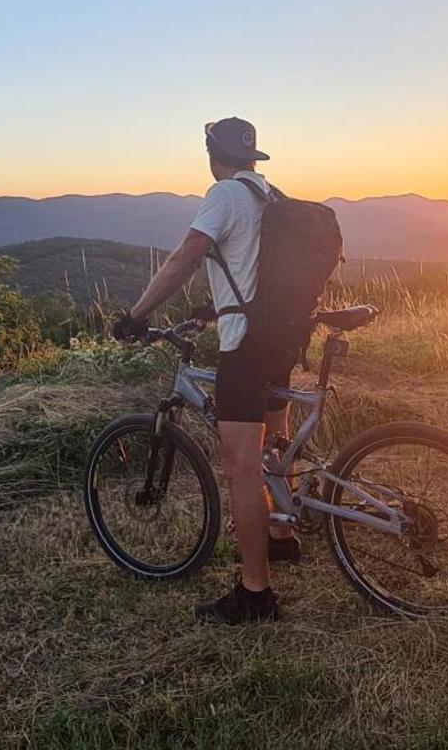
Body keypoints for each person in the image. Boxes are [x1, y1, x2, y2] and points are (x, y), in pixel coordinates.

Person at [113, 117, 296, 624]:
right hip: (279, 340)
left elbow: (183, 259)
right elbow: (255, 269)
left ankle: (255, 594)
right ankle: (283, 536)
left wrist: (136, 315)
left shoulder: (223, 195)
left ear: (212, 155)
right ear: (253, 155)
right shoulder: (270, 194)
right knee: (275, 444)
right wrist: (215, 310)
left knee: (242, 465)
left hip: (246, 348)